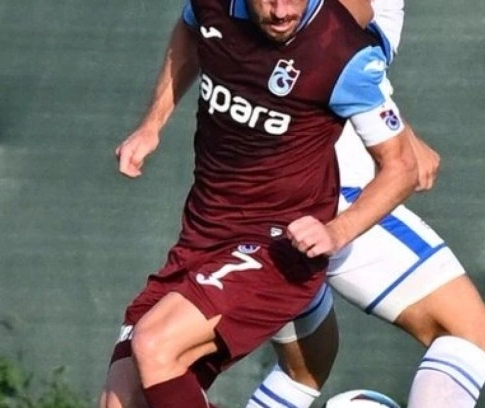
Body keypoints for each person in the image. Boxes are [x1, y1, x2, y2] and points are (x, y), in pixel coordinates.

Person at [98, 0, 420, 406]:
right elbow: (189, 30)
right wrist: (151, 125)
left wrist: (337, 231)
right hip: (201, 236)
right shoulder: (212, 6)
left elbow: (403, 167)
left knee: (155, 344)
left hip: (277, 247)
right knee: (121, 399)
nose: (281, 11)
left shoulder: (341, 50)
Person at [245, 0, 485, 407]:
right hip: (329, 191)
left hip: (257, 200)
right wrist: (401, 138)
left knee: (306, 368)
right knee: (471, 331)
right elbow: (324, 41)